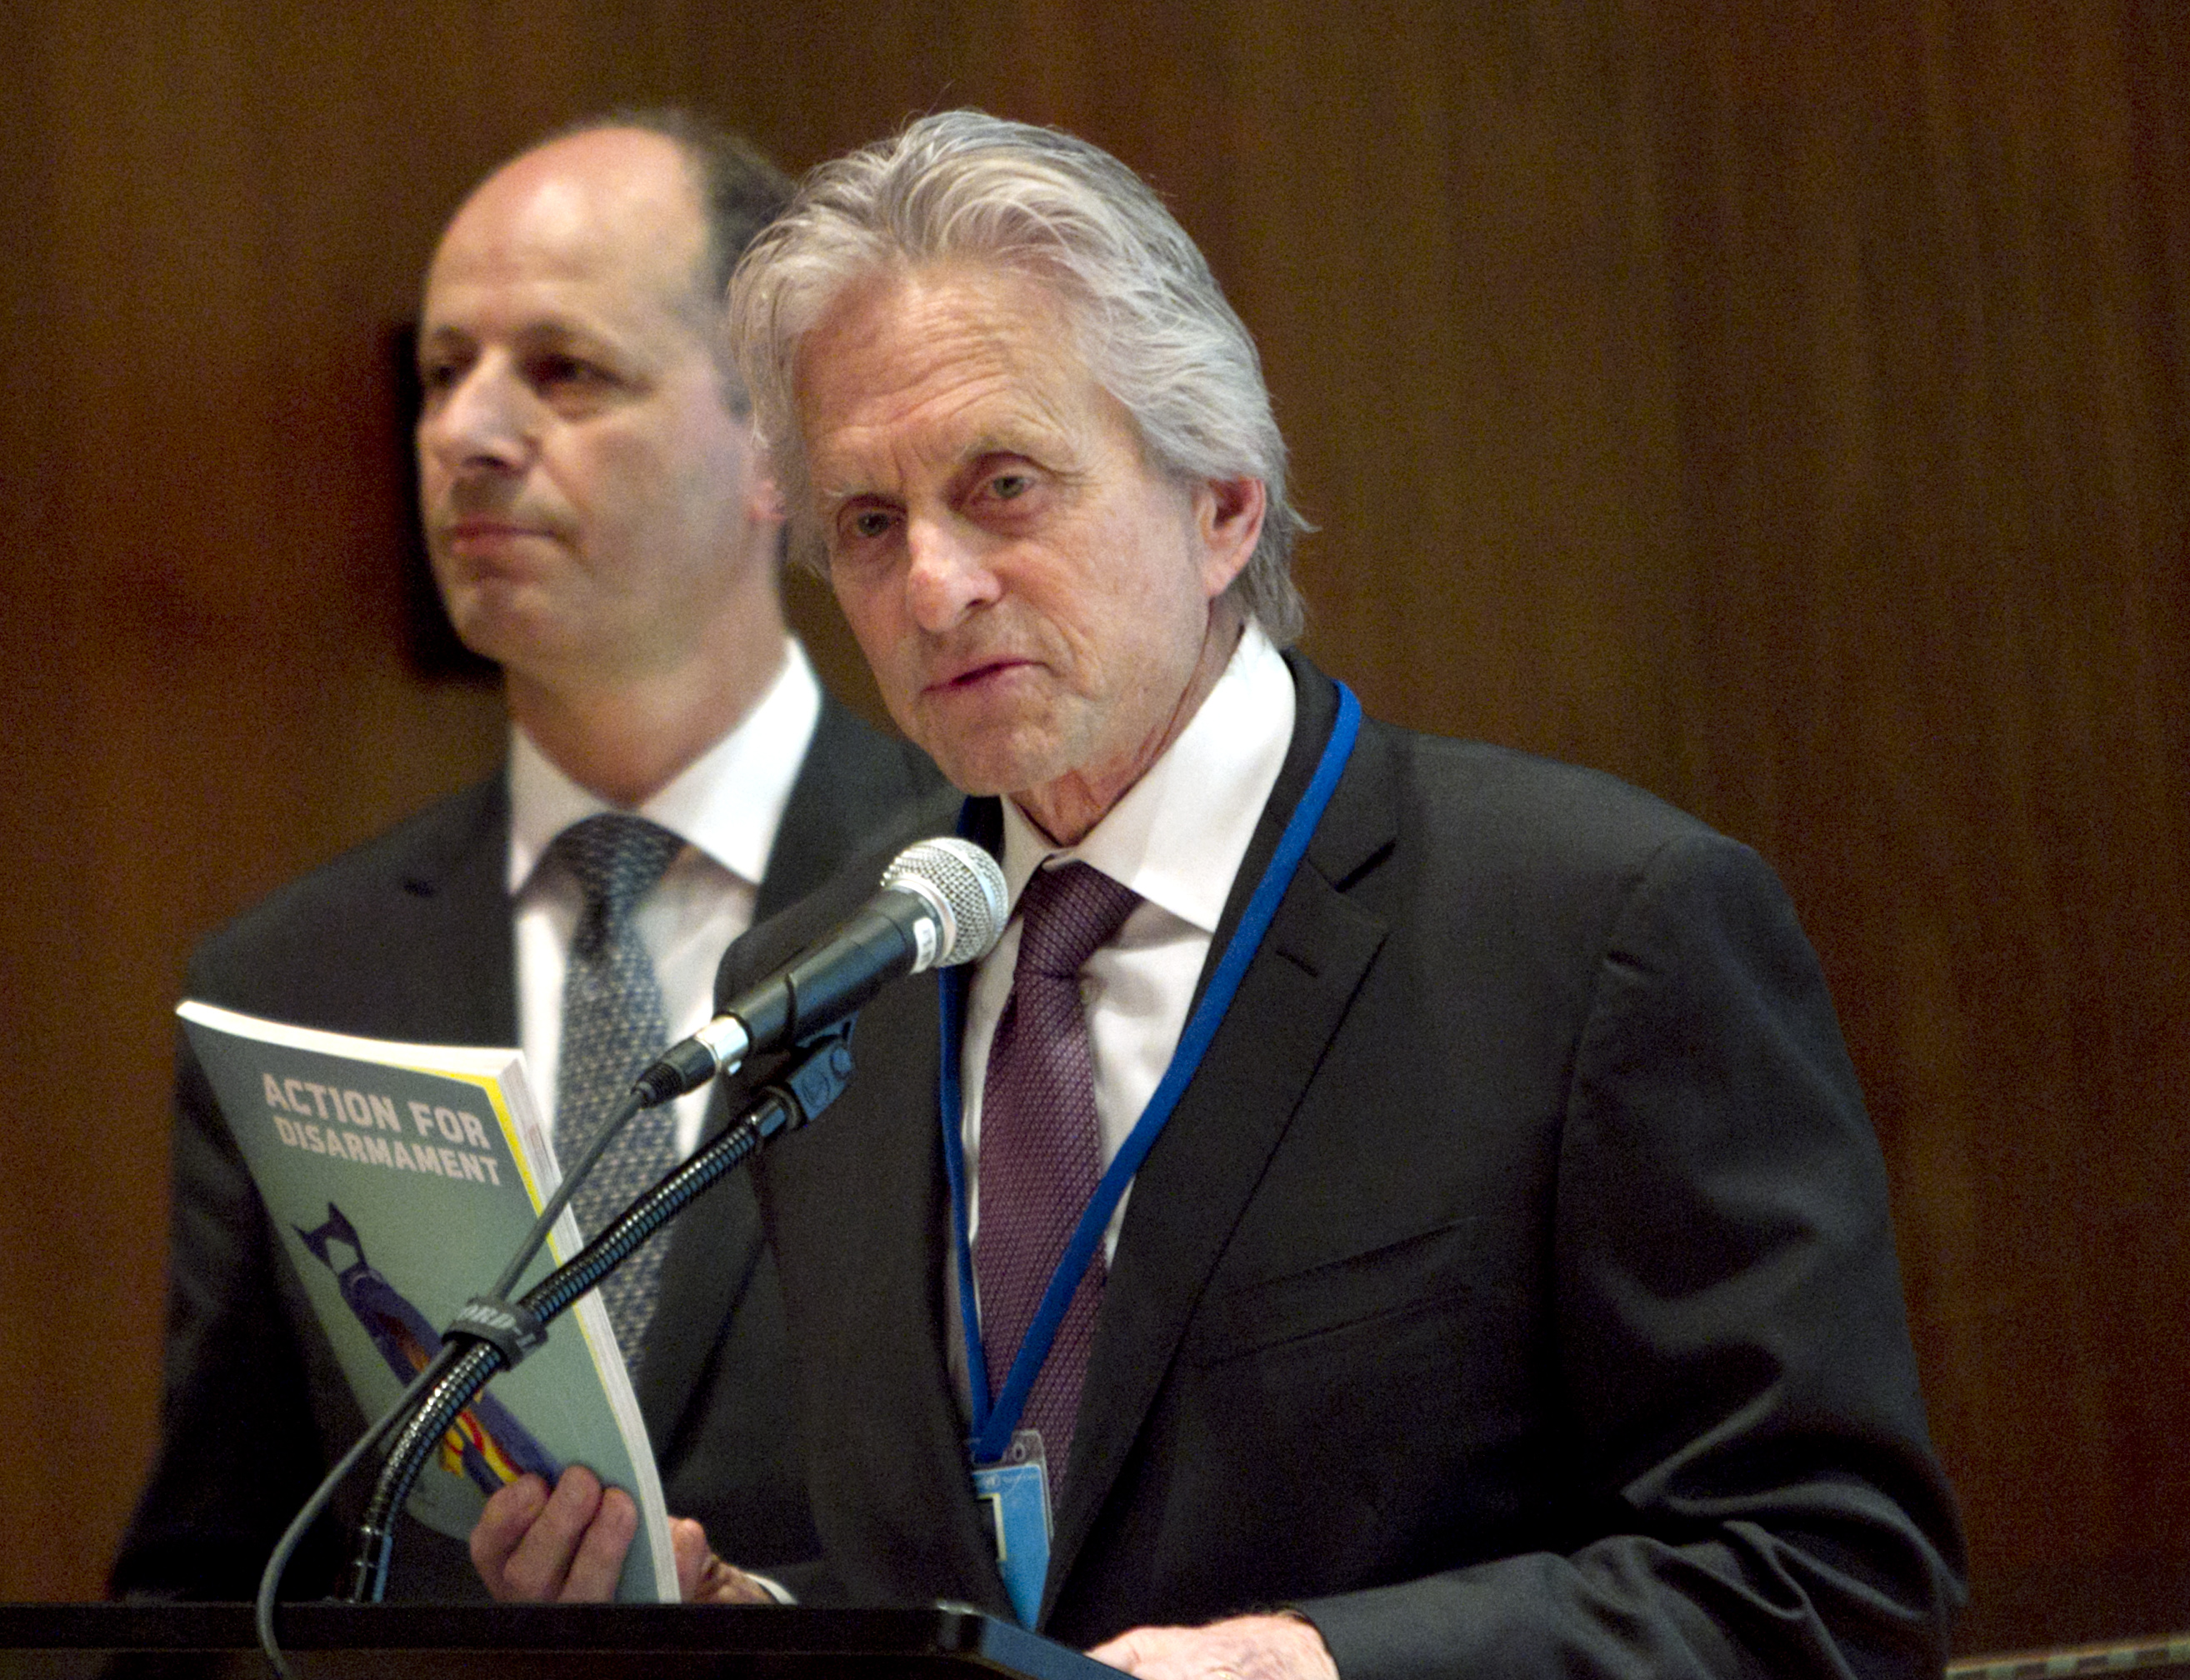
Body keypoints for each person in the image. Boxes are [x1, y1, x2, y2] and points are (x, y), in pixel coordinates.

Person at [468, 110, 1967, 1678]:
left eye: (1004, 486)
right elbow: (979, 1581)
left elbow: (1829, 1580)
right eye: (867, 525)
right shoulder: (829, 985)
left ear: (1223, 503)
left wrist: (1316, 1667)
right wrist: (747, 1631)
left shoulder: (1602, 933)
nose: (932, 586)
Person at [112, 111, 953, 1600]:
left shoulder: (971, 896)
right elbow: (206, 1590)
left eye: (565, 372)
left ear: (780, 448)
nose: (467, 433)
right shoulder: (295, 975)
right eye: (446, 374)